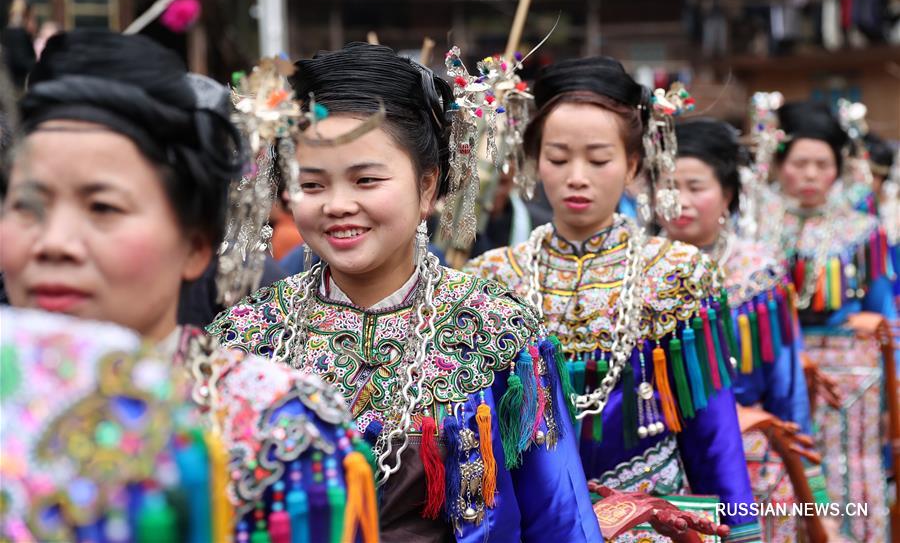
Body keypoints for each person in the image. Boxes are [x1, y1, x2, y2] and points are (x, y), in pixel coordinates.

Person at [207, 43, 604, 542]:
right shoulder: (246, 338)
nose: (338, 205)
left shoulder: (497, 332)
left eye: (366, 179)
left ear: (427, 187)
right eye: (312, 185)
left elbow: (559, 518)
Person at [0, 29, 377, 542]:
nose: (54, 243)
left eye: (103, 208)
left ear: (196, 244)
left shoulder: (278, 431)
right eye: (28, 206)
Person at [464, 57, 760, 542]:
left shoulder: (678, 275)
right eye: (558, 159)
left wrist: (740, 531)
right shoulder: (492, 280)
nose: (577, 177)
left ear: (634, 165)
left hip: (655, 525)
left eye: (599, 160)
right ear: (534, 161)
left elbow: (713, 438)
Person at [657, 118, 813, 542]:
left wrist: (810, 489)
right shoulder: (634, 270)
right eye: (669, 186)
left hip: (750, 456)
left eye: (696, 186)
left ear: (726, 194)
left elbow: (787, 386)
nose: (681, 201)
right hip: (657, 465)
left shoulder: (758, 273)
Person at [757, 100, 897, 541]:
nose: (811, 175)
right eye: (800, 163)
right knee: (780, 469)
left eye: (823, 164)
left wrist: (874, 328)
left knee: (848, 470)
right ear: (779, 165)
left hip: (849, 378)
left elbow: (883, 312)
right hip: (775, 370)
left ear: (839, 168)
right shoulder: (754, 231)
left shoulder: (861, 230)